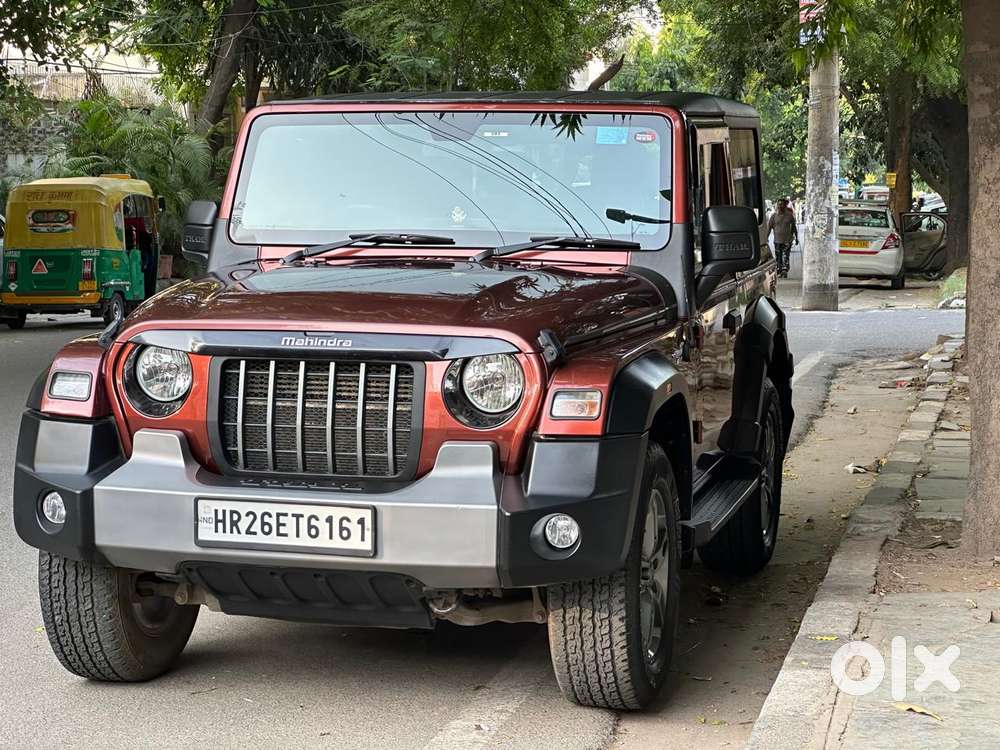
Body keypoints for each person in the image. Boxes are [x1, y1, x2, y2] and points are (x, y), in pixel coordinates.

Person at [767, 197, 799, 278]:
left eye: (782, 204)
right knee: (778, 256)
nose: (780, 206)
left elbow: (794, 227)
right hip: (777, 240)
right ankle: (779, 269)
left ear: (785, 205)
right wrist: (766, 238)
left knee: (785, 255)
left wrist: (796, 237)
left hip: (787, 240)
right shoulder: (773, 216)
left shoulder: (790, 216)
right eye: (779, 204)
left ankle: (785, 269)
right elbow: (769, 227)